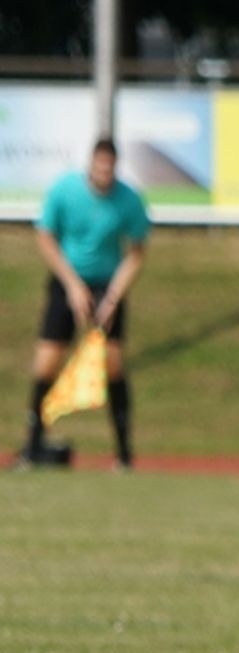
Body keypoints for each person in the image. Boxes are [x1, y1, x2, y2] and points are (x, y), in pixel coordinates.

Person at [15, 138, 148, 472]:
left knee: (113, 364)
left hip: (107, 284)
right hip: (67, 279)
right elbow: (46, 237)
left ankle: (124, 455)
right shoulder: (65, 190)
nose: (104, 173)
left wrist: (113, 298)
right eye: (99, 166)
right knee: (47, 363)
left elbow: (136, 253)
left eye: (110, 168)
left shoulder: (128, 200)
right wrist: (73, 285)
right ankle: (32, 447)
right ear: (91, 163)